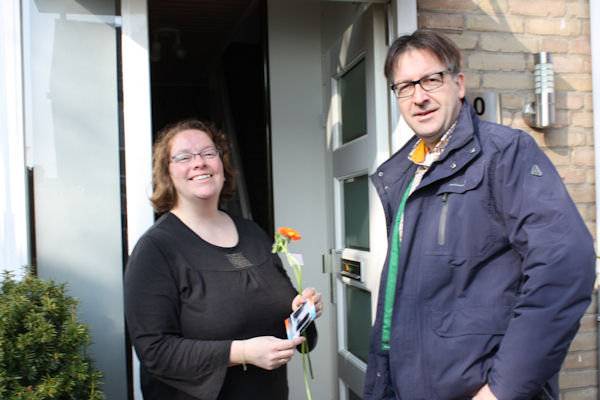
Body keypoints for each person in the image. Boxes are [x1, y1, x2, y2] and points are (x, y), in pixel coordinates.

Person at [364, 29, 595, 400]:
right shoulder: (404, 174)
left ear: (458, 84)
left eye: (431, 80)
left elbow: (565, 267)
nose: (419, 97)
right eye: (405, 87)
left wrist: (502, 389)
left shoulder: (505, 154)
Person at [124, 119, 322, 400]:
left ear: (222, 165)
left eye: (208, 153)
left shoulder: (253, 234)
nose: (199, 163)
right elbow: (155, 351)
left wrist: (303, 312)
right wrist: (243, 352)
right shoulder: (156, 249)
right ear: (167, 173)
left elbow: (281, 324)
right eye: (184, 157)